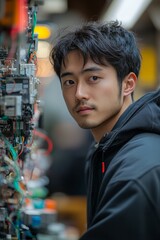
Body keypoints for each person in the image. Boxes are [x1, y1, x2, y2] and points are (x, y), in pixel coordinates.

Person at [50, 20, 160, 240]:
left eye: (93, 78)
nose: (79, 93)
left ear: (128, 84)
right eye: (69, 82)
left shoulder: (137, 171)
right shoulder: (106, 149)